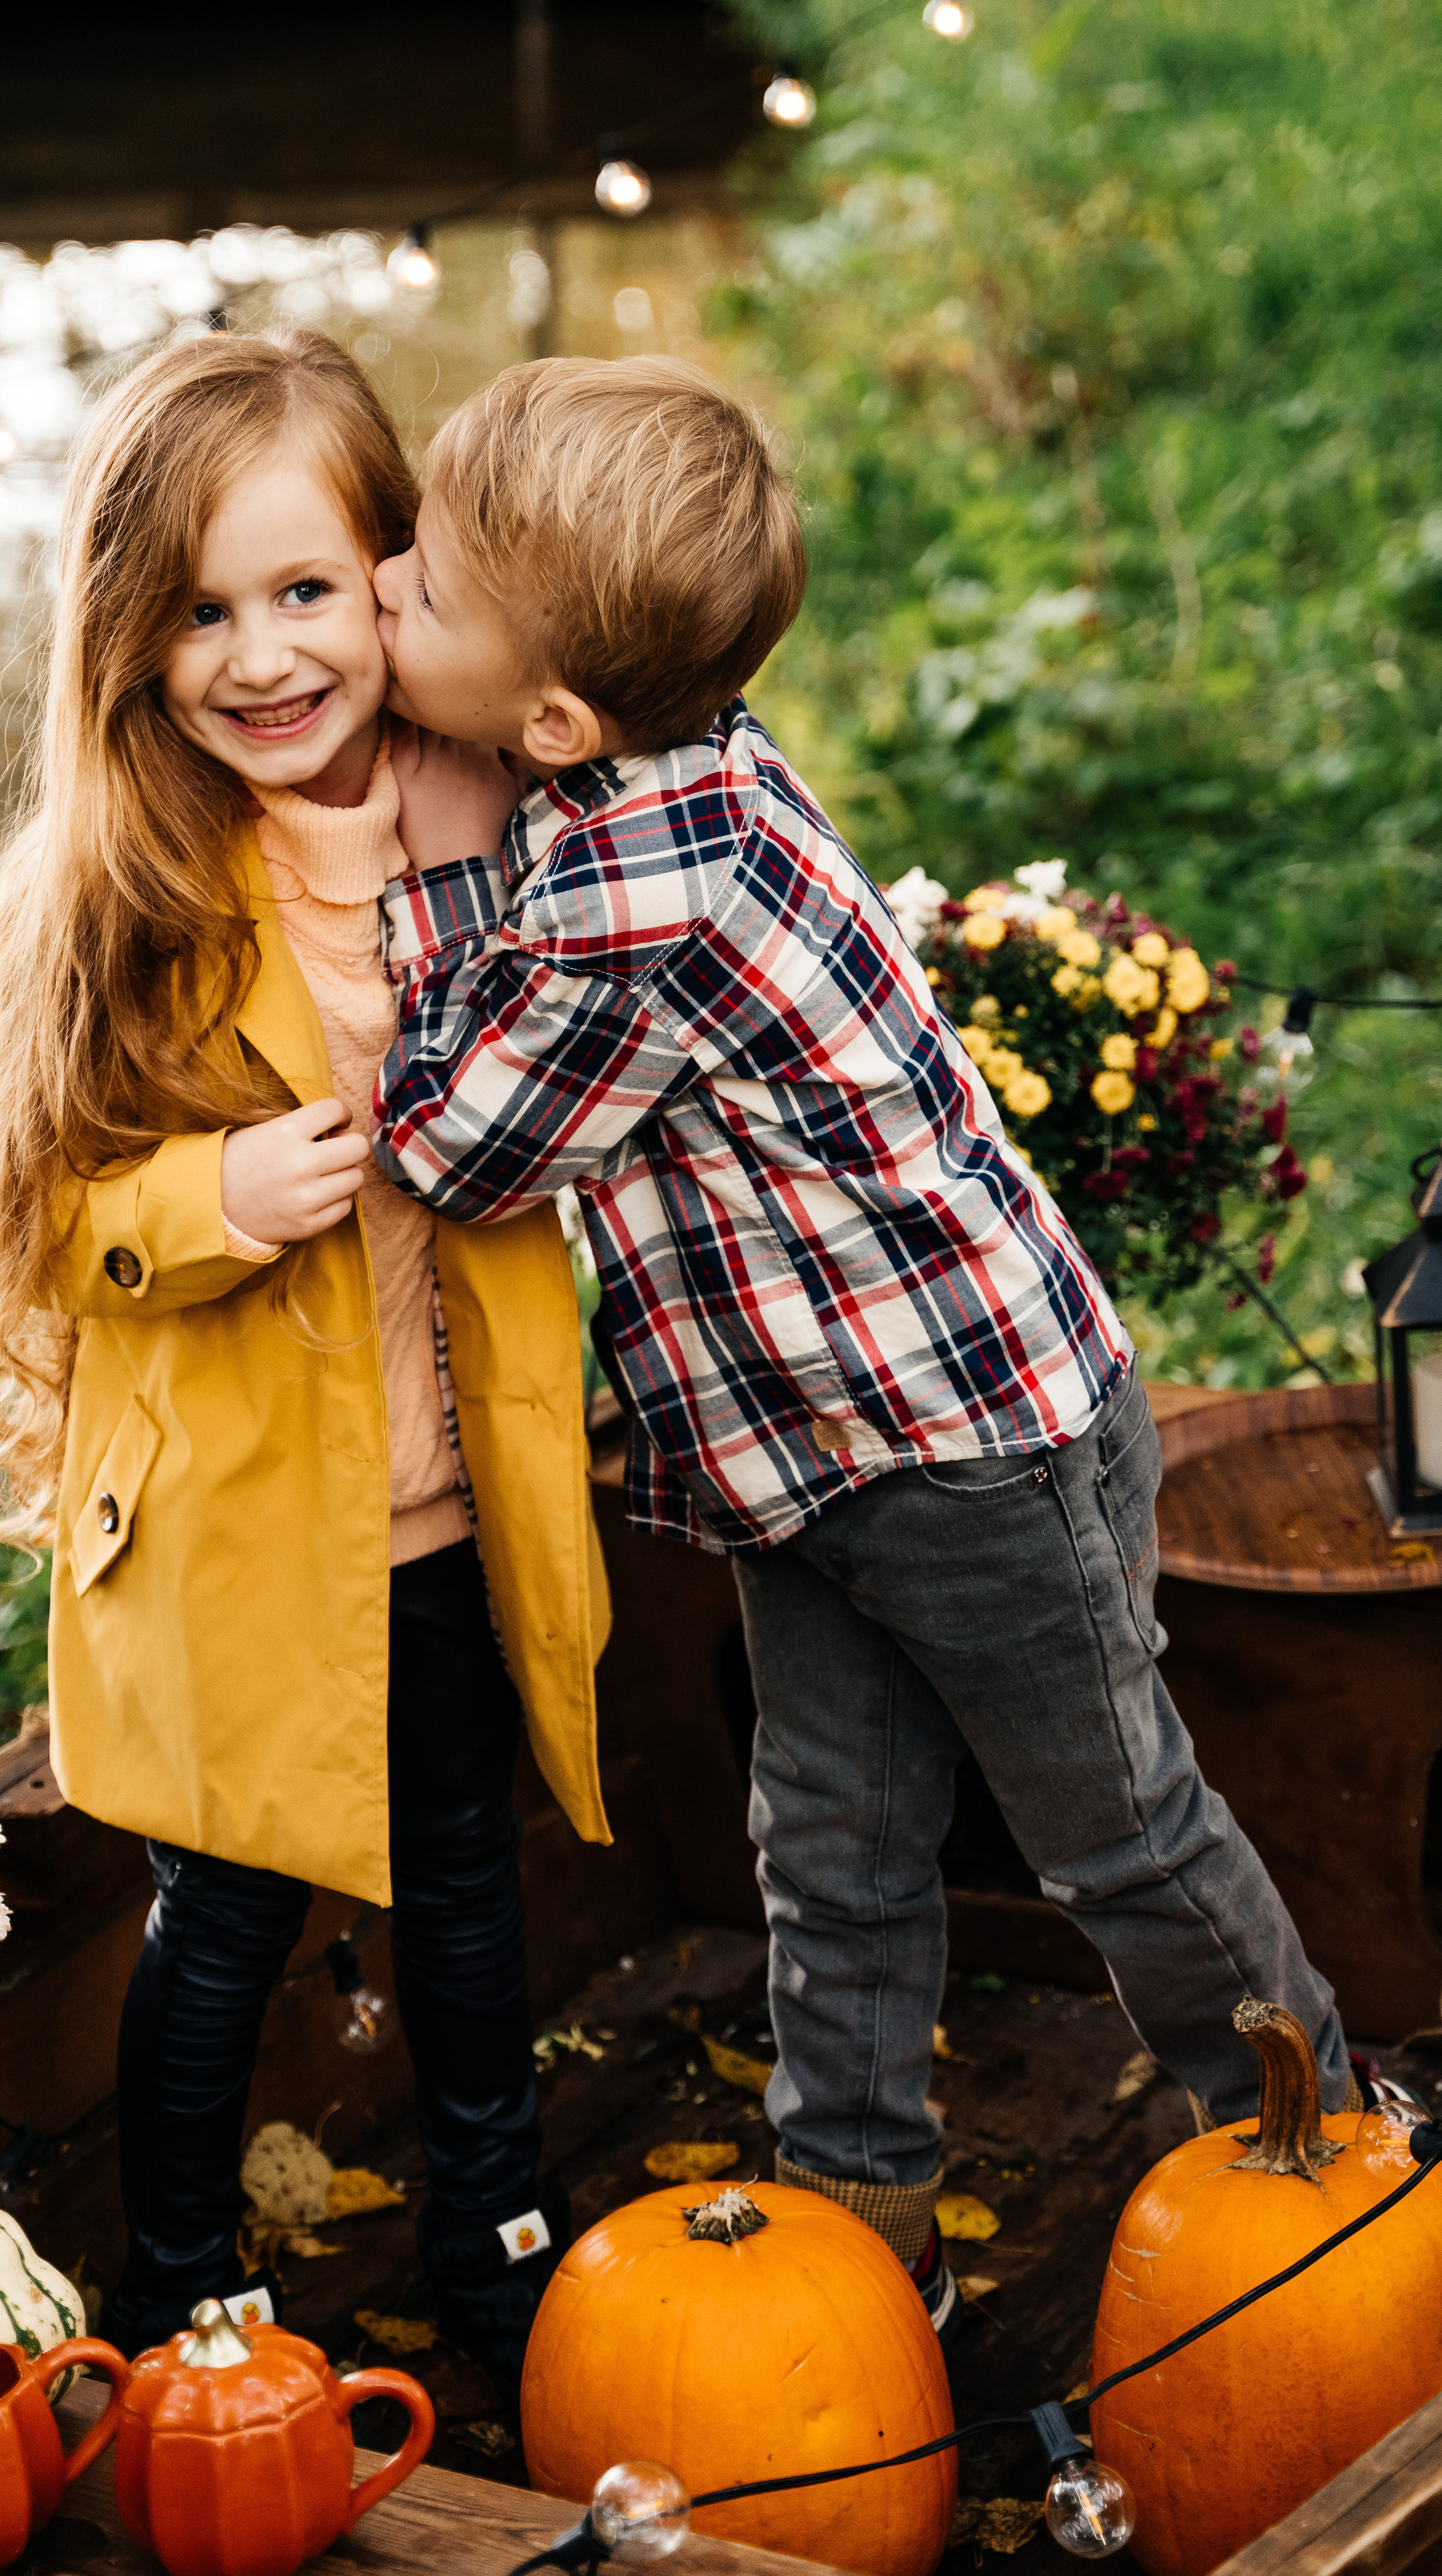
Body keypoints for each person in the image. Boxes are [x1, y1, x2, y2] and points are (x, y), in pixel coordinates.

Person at [368, 355, 1356, 2339]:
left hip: (971, 1458)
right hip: (821, 1460)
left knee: (1118, 1830)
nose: (384, 587)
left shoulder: (631, 894)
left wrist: (432, 871)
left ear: (552, 721)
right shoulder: (670, 756)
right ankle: (860, 2209)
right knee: (830, 1835)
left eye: (425, 586)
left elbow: (454, 1146)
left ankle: (1329, 2154)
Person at [0, 333, 610, 2388]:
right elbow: (24, 1218)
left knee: (466, 1890)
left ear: (399, 577)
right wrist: (210, 1196)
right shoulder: (122, 884)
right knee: (222, 1922)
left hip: (451, 1507)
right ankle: (184, 2284)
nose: (264, 656)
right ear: (128, 635)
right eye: (201, 611)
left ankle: (498, 2255)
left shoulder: (505, 820)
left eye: (306, 589)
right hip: (232, 1538)